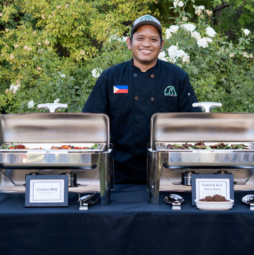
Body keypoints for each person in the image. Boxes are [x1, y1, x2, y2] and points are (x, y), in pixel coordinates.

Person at [82, 15, 201, 184]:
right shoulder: (111, 76)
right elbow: (90, 121)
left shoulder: (177, 76)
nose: (146, 44)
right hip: (117, 174)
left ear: (161, 45)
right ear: (129, 43)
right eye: (140, 38)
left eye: (153, 39)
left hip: (168, 172)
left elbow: (194, 121)